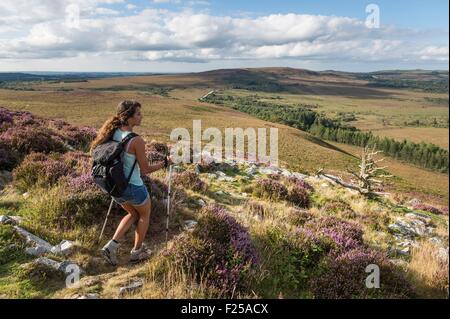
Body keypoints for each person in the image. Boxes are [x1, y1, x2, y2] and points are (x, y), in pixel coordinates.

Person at [89, 100, 171, 265]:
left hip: (114, 186)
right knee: (144, 215)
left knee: (133, 213)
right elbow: (145, 170)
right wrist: (166, 163)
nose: (141, 116)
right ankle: (136, 253)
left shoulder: (112, 132)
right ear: (128, 117)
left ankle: (110, 247)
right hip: (133, 186)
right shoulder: (136, 140)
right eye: (138, 114)